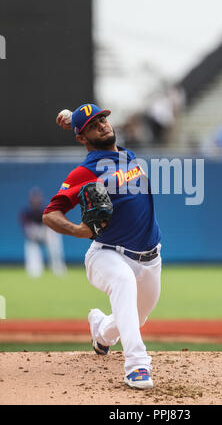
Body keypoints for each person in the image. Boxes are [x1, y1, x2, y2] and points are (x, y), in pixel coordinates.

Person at [42, 104, 162, 389]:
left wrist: (77, 119)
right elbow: (50, 214)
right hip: (108, 254)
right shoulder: (84, 172)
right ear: (82, 139)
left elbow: (94, 130)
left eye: (103, 119)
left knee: (136, 316)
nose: (102, 125)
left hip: (151, 258)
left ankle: (101, 333)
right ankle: (137, 364)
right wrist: (77, 230)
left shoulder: (126, 155)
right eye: (93, 125)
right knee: (122, 282)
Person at [20, 187, 67, 278]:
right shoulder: (26, 210)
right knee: (30, 245)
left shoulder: (46, 208)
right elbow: (25, 227)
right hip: (33, 232)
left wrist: (46, 232)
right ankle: (34, 270)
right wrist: (32, 233)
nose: (35, 199)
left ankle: (58, 268)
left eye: (37, 197)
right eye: (33, 197)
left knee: (55, 241)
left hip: (47, 230)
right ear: (30, 199)